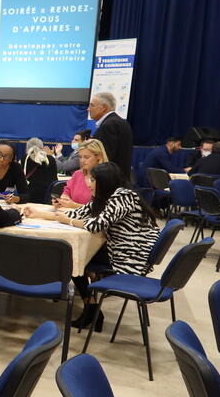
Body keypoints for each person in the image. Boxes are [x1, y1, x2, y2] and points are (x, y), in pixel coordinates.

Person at [24, 162, 158, 331]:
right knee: (74, 255)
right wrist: (39, 214)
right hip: (118, 249)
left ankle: (91, 308)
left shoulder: (123, 196)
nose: (88, 183)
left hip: (129, 255)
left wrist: (69, 221)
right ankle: (92, 308)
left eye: (93, 180)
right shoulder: (106, 196)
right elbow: (77, 213)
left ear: (105, 181)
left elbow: (96, 225)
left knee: (72, 256)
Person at [55, 138, 109, 209]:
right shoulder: (77, 174)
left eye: (86, 157)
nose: (82, 161)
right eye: (80, 157)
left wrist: (73, 205)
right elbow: (67, 191)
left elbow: (102, 209)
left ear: (99, 157)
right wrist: (63, 200)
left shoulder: (106, 177)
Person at [90, 92, 133, 179]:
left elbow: (105, 158)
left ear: (104, 107)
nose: (88, 109)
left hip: (110, 182)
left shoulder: (108, 126)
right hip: (121, 178)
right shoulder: (121, 122)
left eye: (92, 105)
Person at [23, 137, 58, 204]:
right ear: (42, 147)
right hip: (48, 196)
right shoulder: (51, 159)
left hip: (30, 196)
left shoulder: (24, 159)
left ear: (27, 147)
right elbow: (54, 180)